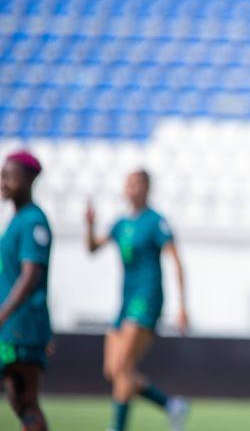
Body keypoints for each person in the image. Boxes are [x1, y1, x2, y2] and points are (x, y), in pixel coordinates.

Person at [86, 169, 190, 431]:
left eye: (135, 183)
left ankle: (117, 427)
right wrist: (89, 224)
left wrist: (182, 306)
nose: (130, 188)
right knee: (113, 370)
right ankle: (171, 405)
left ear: (146, 188)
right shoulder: (120, 224)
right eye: (128, 183)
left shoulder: (155, 221)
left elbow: (176, 260)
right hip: (125, 300)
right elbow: (92, 248)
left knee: (123, 366)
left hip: (147, 297)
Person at [0, 151, 52, 431]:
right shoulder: (17, 219)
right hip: (12, 325)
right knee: (19, 401)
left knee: (25, 401)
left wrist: (2, 314)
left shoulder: (33, 221)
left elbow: (30, 276)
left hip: (23, 325)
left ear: (29, 179)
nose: (3, 182)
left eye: (9, 176)